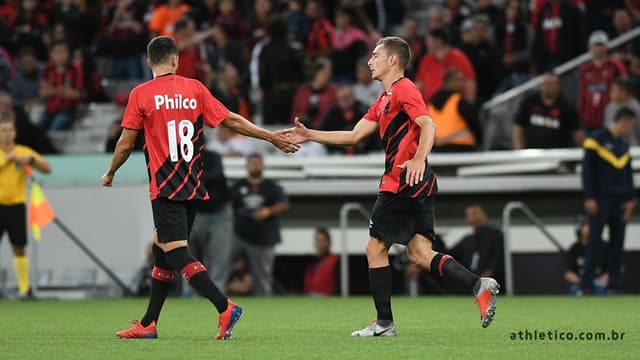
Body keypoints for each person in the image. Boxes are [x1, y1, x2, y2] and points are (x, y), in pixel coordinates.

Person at [288, 37, 499, 337]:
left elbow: (429, 125)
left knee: (375, 248)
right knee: (420, 253)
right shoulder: (384, 99)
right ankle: (478, 286)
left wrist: (417, 159)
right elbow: (352, 136)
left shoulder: (404, 88)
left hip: (401, 181)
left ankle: (384, 323)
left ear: (392, 61)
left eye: (375, 55)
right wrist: (310, 135)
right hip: (419, 183)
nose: (369, 61)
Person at [101, 36, 298, 340]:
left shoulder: (141, 94)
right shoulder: (195, 88)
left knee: (175, 251)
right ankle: (149, 323)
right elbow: (231, 120)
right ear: (176, 61)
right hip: (192, 184)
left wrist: (111, 172)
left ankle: (224, 306)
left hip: (165, 186)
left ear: (149, 62)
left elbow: (126, 142)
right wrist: (269, 136)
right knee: (162, 249)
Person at [582, 107, 636, 294]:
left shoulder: (623, 146)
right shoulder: (595, 140)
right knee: (594, 241)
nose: (631, 129)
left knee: (617, 244)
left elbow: (628, 175)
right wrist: (589, 196)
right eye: (630, 125)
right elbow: (587, 171)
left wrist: (631, 199)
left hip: (620, 201)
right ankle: (587, 284)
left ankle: (614, 285)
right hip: (600, 200)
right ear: (623, 121)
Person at [0, 115, 51, 298]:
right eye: (3, 130)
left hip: (16, 206)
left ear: (15, 133)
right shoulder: (8, 155)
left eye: (9, 130)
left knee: (19, 246)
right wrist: (8, 159)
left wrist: (30, 161)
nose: (6, 134)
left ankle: (24, 289)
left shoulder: (22, 151)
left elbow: (47, 168)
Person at [230, 153, 290, 296]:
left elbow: (284, 205)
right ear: (247, 165)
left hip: (264, 236)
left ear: (262, 165)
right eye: (252, 163)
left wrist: (267, 211)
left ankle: (264, 304)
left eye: (258, 163)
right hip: (239, 234)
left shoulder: (272, 186)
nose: (255, 166)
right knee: (224, 266)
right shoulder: (238, 186)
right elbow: (229, 206)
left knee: (262, 275)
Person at [189, 149, 233, 291]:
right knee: (190, 256)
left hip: (218, 212)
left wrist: (194, 176)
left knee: (219, 256)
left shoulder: (212, 156)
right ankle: (190, 292)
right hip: (195, 212)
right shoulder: (181, 158)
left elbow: (217, 175)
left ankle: (218, 291)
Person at [513, 72, 583, 149]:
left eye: (552, 84)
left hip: (558, 154)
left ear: (558, 86)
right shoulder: (530, 102)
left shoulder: (567, 107)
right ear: (542, 85)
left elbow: (576, 132)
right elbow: (518, 125)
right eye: (546, 83)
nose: (548, 87)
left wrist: (582, 151)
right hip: (532, 153)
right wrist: (518, 148)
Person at [578, 31, 627, 133]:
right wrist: (582, 117)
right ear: (590, 46)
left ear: (606, 46)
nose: (598, 48)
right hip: (590, 121)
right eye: (596, 45)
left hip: (611, 119)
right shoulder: (585, 69)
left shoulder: (615, 66)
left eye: (601, 45)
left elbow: (625, 89)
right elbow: (582, 95)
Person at [449, 205, 504, 292]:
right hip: (468, 284)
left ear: (484, 215)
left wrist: (485, 279)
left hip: (492, 284)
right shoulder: (467, 240)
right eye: (470, 215)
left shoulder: (496, 235)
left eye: (476, 213)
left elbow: (497, 259)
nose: (474, 218)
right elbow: (449, 255)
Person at [428, 69, 482, 152]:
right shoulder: (460, 103)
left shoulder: (430, 104)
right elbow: (476, 126)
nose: (463, 84)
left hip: (437, 151)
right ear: (449, 82)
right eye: (460, 80)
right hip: (463, 150)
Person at [565, 216, 608, 296]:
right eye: (585, 226)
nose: (588, 228)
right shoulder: (574, 249)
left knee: (601, 289)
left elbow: (609, 271)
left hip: (598, 283)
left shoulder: (603, 246)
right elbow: (568, 274)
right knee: (574, 289)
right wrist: (583, 282)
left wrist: (602, 279)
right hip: (580, 283)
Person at [603, 76, 640, 144]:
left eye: (613, 89)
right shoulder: (609, 107)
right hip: (612, 146)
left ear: (623, 92)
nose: (610, 92)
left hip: (631, 147)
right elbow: (607, 129)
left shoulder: (635, 107)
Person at [304, 227, 340, 296]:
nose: (320, 244)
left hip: (328, 298)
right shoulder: (311, 264)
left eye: (323, 241)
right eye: (318, 241)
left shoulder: (336, 261)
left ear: (329, 242)